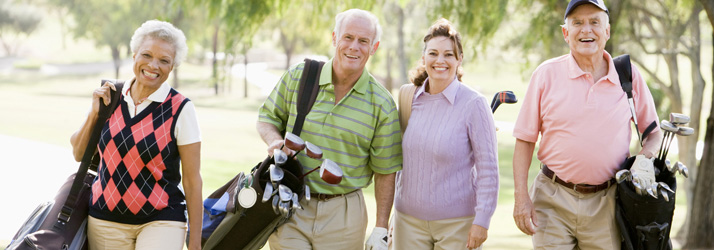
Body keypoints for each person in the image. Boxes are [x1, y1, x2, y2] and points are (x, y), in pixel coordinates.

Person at [511, 0, 664, 249]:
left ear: (607, 31)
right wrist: (521, 197)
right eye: (577, 23)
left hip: (608, 202)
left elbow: (654, 133)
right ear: (565, 32)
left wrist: (644, 158)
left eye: (594, 22)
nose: (586, 30)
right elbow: (525, 139)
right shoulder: (545, 74)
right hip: (552, 198)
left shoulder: (628, 75)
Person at [257, 8, 401, 250]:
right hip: (291, 202)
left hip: (345, 214)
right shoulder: (299, 77)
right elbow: (266, 118)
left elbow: (385, 171)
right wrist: (274, 141)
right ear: (335, 38)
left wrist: (381, 227)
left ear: (374, 48)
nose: (354, 46)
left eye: (363, 41)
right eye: (348, 37)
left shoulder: (383, 104)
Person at [70, 20, 202, 250]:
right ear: (134, 55)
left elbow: (192, 180)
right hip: (105, 219)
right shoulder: (110, 97)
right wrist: (94, 113)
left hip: (162, 218)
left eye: (164, 60)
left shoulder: (181, 108)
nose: (153, 65)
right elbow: (79, 153)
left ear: (173, 66)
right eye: (147, 55)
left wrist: (195, 243)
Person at [392, 18, 499, 250]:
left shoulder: (474, 104)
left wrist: (482, 221)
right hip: (407, 223)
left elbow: (488, 170)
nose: (440, 61)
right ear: (424, 58)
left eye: (448, 54)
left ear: (459, 59)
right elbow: (401, 165)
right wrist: (394, 217)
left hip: (458, 225)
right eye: (433, 53)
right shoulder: (407, 97)